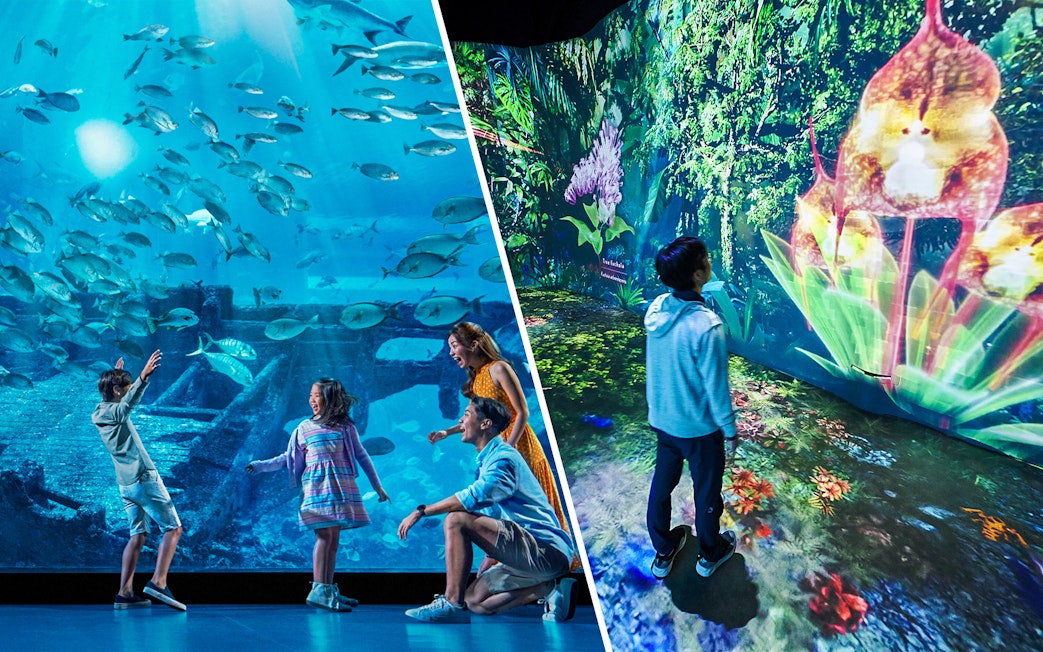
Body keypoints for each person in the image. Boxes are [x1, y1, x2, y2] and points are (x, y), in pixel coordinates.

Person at [400, 397, 575, 624]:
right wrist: (493, 555)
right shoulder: (490, 458)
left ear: (485, 424)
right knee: (475, 602)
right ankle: (548, 589)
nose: (461, 420)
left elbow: (476, 496)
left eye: (467, 414)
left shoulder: (503, 459)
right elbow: (506, 514)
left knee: (456, 520)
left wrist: (421, 511)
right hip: (532, 557)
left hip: (546, 550)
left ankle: (451, 603)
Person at [428, 322, 579, 583]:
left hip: (517, 445)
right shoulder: (476, 378)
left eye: (454, 345)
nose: (451, 352)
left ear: (473, 344)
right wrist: (447, 432)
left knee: (537, 507)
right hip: (494, 449)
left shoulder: (499, 368)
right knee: (504, 511)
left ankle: (556, 573)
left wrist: (509, 449)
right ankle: (530, 576)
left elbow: (522, 411)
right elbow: (472, 418)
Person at [247, 378, 390, 611]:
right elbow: (288, 458)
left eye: (317, 395)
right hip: (317, 489)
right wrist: (261, 465)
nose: (312, 400)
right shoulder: (304, 428)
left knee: (333, 540)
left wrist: (377, 486)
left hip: (341, 488)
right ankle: (318, 590)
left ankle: (327, 587)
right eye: (311, 395)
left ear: (332, 398)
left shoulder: (345, 426)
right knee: (324, 537)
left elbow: (362, 455)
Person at [645, 236, 739, 580]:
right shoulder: (707, 326)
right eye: (707, 259)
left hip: (663, 422)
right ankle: (709, 553)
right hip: (699, 430)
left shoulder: (656, 310)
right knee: (707, 491)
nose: (710, 261)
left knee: (662, 484)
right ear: (698, 275)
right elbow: (716, 390)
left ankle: (663, 549)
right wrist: (729, 429)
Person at [94, 349, 186, 611]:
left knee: (138, 536)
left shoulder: (100, 410)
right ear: (116, 390)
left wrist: (116, 375)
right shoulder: (116, 412)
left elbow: (118, 402)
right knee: (173, 529)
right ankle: (158, 582)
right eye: (127, 386)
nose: (132, 388)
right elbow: (125, 407)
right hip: (143, 479)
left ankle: (124, 592)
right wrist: (144, 377)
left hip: (126, 486)